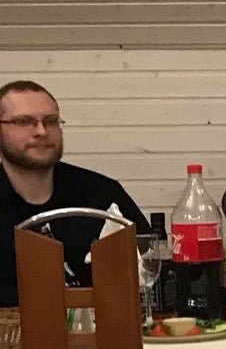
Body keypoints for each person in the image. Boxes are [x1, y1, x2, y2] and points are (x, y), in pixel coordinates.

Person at [0, 79, 147, 306]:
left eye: (51, 121)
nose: (41, 131)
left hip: (103, 325)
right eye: (24, 122)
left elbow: (150, 260)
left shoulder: (101, 193)